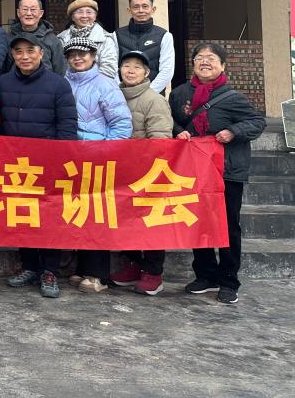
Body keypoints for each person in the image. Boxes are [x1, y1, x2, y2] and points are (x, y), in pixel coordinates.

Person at [169, 42, 266, 305]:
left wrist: (233, 131)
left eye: (211, 58)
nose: (205, 62)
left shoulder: (233, 97)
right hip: (194, 170)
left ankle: (229, 280)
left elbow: (257, 121)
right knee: (198, 222)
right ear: (193, 64)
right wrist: (179, 130)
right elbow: (170, 119)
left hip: (227, 171)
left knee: (227, 225)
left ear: (222, 65)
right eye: (200, 57)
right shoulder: (179, 94)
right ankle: (205, 275)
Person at [0, 32, 78, 299]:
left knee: (49, 218)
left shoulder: (58, 85)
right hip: (16, 164)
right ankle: (29, 266)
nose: (25, 56)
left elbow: (67, 126)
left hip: (48, 164)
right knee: (23, 216)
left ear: (41, 53)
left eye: (30, 51)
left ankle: (49, 271)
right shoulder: (3, 83)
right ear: (12, 56)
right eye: (19, 52)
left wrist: (61, 160)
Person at [63, 37, 132, 293]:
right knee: (77, 213)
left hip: (97, 158)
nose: (78, 58)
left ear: (93, 56)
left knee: (96, 215)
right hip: (70, 157)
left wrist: (105, 152)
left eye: (83, 54)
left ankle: (98, 274)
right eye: (72, 54)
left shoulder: (105, 84)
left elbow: (121, 124)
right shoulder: (63, 82)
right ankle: (82, 267)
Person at [109, 50, 174, 296]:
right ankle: (133, 265)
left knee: (151, 222)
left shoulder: (154, 100)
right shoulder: (114, 95)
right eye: (127, 66)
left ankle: (153, 272)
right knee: (126, 221)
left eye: (137, 67)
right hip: (120, 170)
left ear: (146, 73)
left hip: (147, 172)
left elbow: (160, 140)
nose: (131, 70)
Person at [114, 0, 175, 94]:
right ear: (129, 10)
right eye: (136, 7)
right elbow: (112, 68)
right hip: (122, 95)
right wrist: (120, 91)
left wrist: (148, 93)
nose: (141, 10)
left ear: (153, 9)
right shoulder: (116, 35)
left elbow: (167, 70)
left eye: (145, 6)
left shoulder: (164, 36)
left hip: (153, 96)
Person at [3, 0, 66, 75]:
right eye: (25, 9)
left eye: (33, 9)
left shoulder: (52, 40)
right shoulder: (8, 38)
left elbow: (60, 70)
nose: (29, 13)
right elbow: (3, 68)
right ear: (18, 13)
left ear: (41, 13)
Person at [57, 0, 117, 81]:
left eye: (89, 12)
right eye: (80, 12)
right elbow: (59, 67)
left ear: (95, 16)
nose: (84, 16)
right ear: (72, 17)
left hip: (99, 84)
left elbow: (109, 69)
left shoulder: (106, 38)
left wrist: (88, 85)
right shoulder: (61, 38)